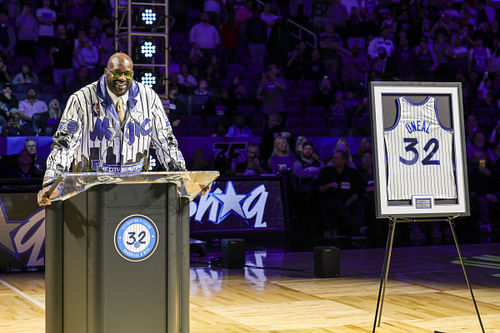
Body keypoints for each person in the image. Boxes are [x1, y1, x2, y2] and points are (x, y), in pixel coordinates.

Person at [37, 52, 186, 206]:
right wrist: (51, 183)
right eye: (117, 73)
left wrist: (182, 177)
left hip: (136, 192)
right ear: (106, 72)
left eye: (127, 74)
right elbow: (64, 145)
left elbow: (165, 141)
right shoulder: (80, 99)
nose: (122, 78)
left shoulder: (149, 97)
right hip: (89, 192)